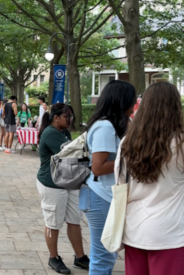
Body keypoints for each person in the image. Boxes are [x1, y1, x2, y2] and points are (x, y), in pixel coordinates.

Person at [116, 82, 184, 275]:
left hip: (135, 229)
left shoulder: (127, 143)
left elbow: (120, 184)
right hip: (171, 233)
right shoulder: (182, 143)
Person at [79, 80, 136, 274]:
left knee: (106, 256)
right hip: (100, 196)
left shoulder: (114, 125)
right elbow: (98, 167)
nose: (135, 103)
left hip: (103, 195)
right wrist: (131, 159)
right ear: (122, 101)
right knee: (103, 258)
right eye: (132, 99)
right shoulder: (105, 127)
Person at [37, 103, 90, 274]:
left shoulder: (63, 131)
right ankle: (54, 258)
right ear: (56, 118)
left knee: (74, 220)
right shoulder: (51, 133)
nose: (70, 120)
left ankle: (80, 257)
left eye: (71, 117)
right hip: (52, 183)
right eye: (67, 117)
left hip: (69, 181)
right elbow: (74, 153)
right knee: (53, 223)